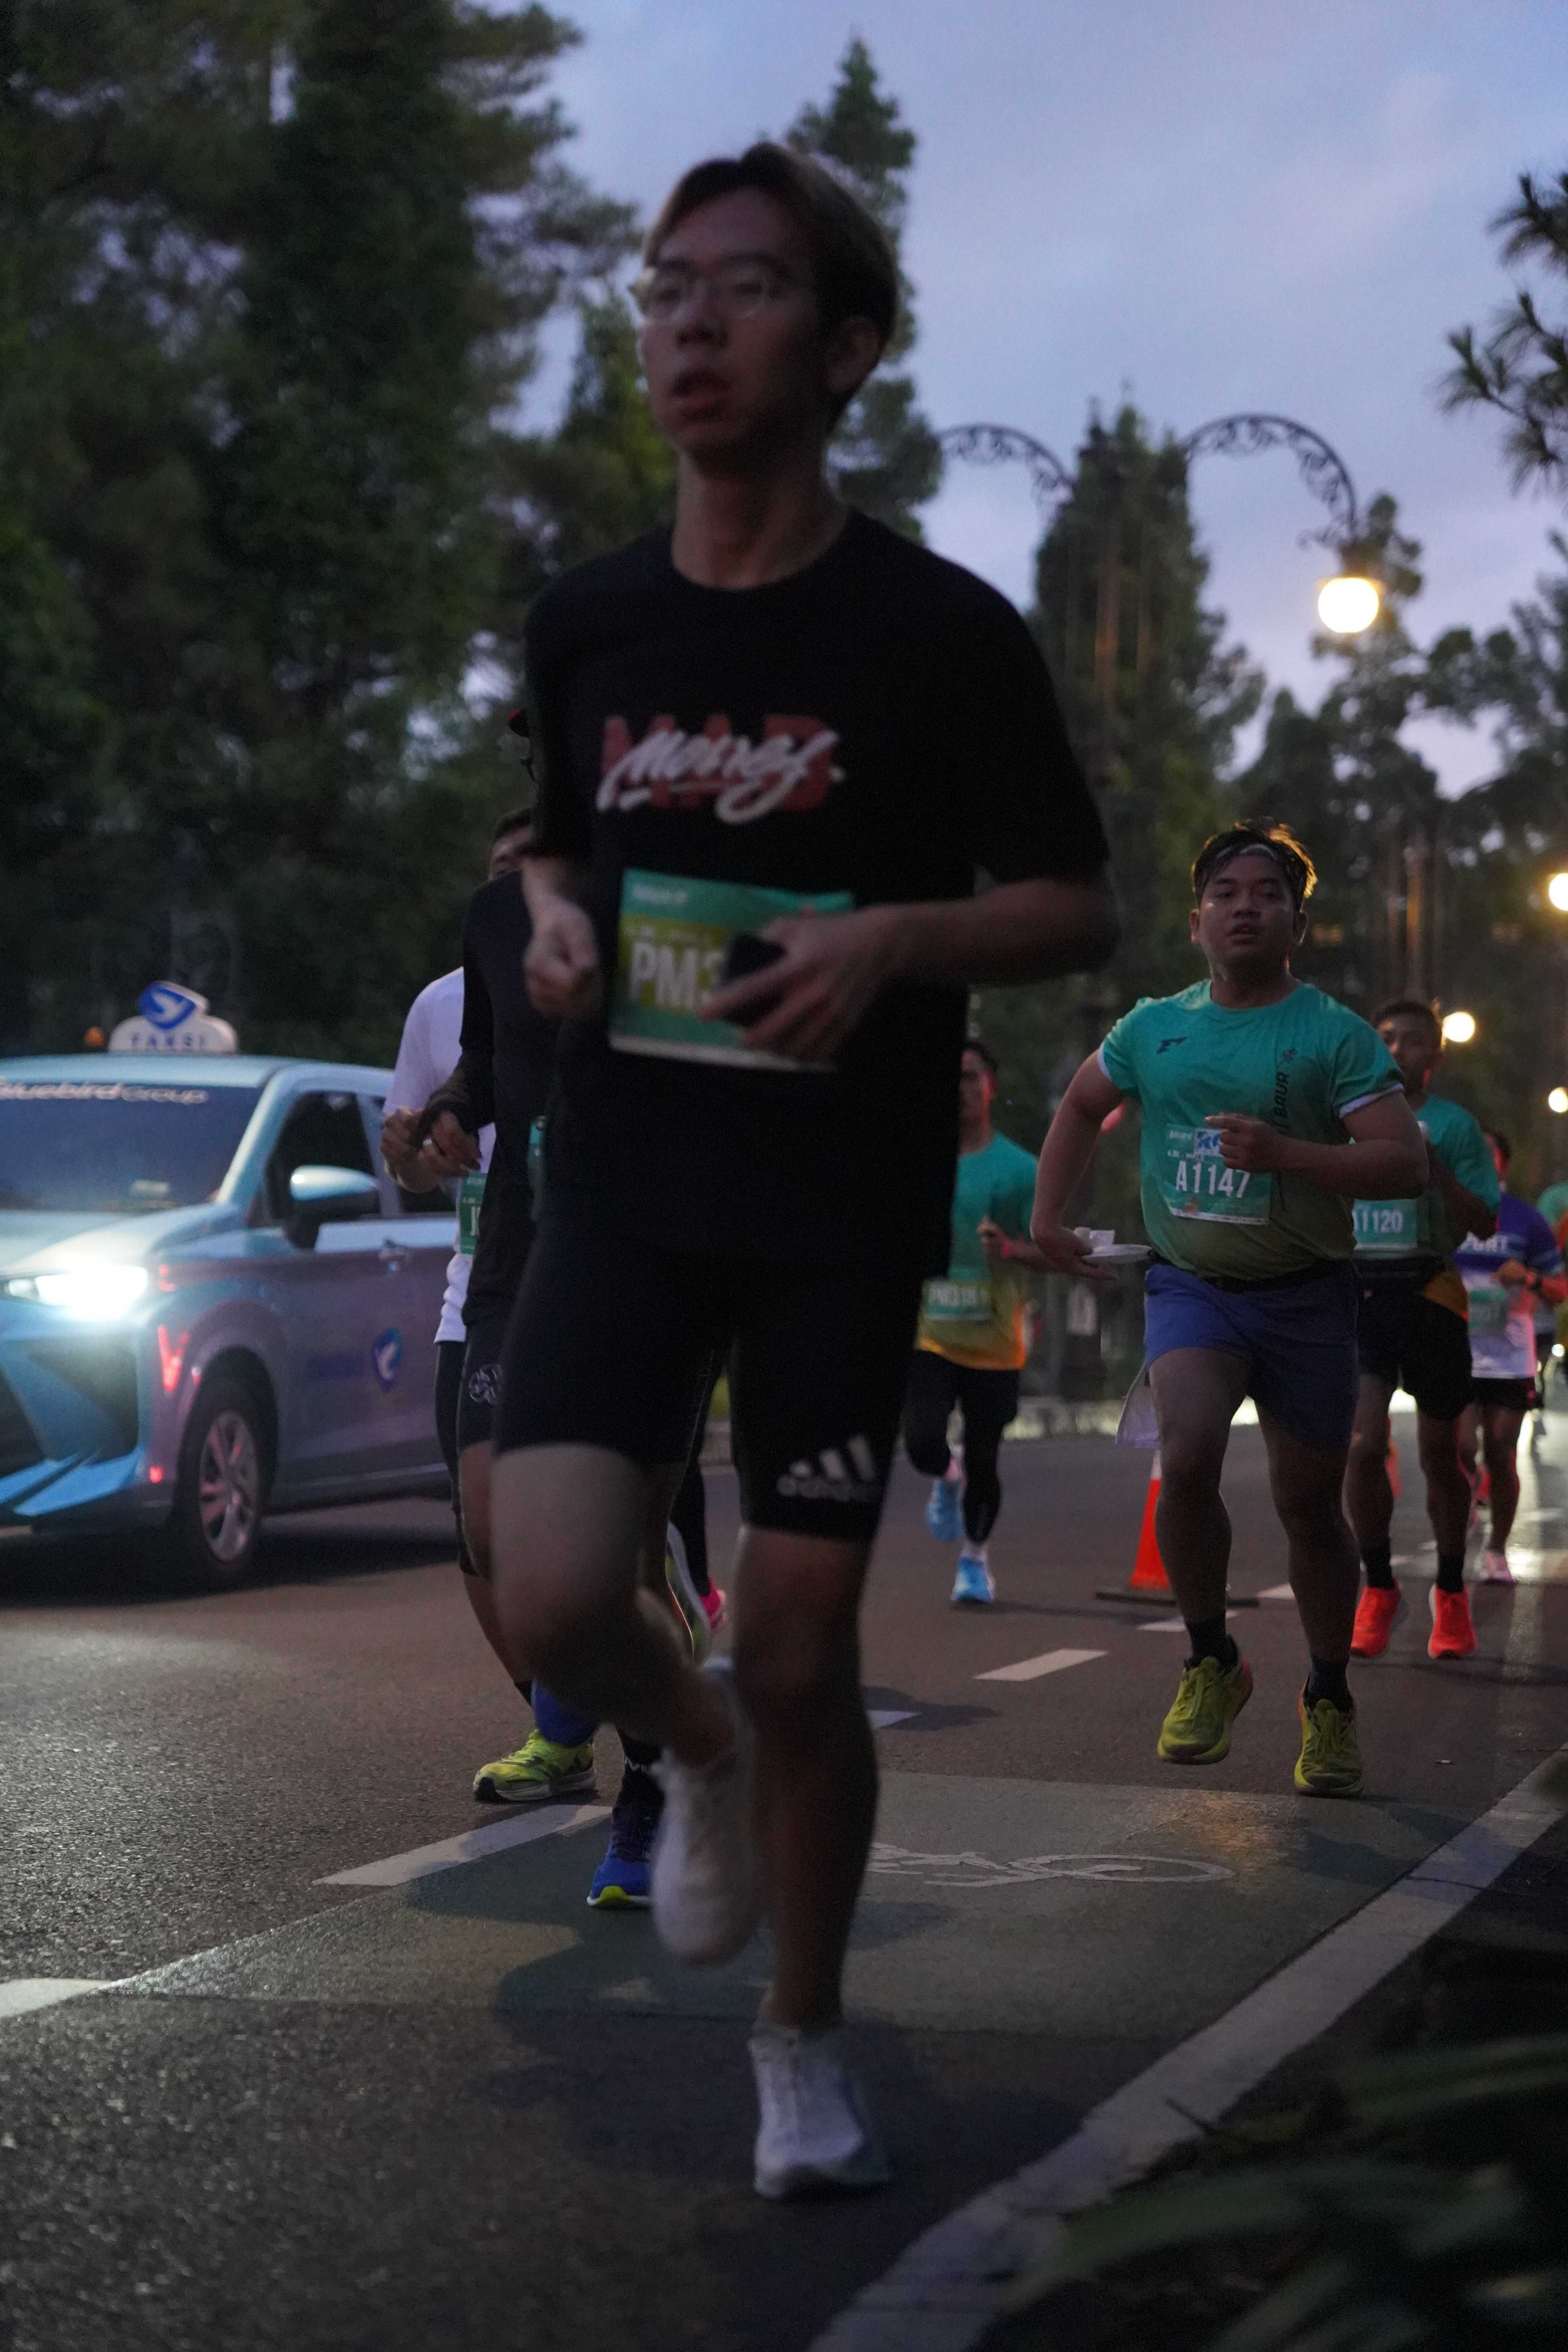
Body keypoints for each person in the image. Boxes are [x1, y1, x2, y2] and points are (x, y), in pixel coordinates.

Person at [486, 140, 1116, 2198]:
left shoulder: (932, 631)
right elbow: (553, 840)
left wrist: (889, 941)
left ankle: (801, 2038)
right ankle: (690, 1748)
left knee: (796, 1636)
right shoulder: (589, 619)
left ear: (845, 346)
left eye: (742, 288)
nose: (688, 322)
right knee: (556, 1590)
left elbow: (1071, 901)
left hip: (839, 1202)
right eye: (665, 285)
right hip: (627, 1169)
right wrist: (557, 920)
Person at [1031, 821, 1425, 1801]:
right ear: (1196, 919)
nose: (1244, 907)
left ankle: (1326, 1694)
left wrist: (1286, 1155)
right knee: (1188, 1455)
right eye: (1225, 893)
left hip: (1305, 1294)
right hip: (1192, 1285)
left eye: (1266, 894)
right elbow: (1080, 1106)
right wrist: (1046, 1218)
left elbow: (1402, 1162)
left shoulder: (1331, 1035)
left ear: (1297, 923)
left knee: (1307, 1506)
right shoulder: (1151, 1028)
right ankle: (1211, 1658)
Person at [386, 768, 705, 1911]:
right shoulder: (492, 919)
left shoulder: (681, 900)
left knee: (619, 1556)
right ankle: (615, 1715)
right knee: (493, 1532)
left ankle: (654, 1784)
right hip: (516, 1265)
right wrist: (447, 1117)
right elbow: (485, 1062)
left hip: (654, 1255)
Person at [381, 806, 530, 1602]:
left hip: (592, 1279)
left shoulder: (600, 980)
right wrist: (414, 1154)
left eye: (534, 866)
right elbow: (412, 1168)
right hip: (479, 1293)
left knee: (611, 1533)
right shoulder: (440, 1007)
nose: (518, 883)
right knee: (481, 1535)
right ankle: (549, 1690)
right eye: (503, 870)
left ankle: (659, 1617)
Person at [1344, 1000, 1499, 1664]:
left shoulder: (1456, 1127)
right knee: (1361, 1445)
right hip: (1362, 1292)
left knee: (1442, 1456)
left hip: (1432, 1290)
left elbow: (1485, 1222)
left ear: (1435, 1057)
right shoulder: (1348, 1118)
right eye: (1387, 1039)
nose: (1398, 1050)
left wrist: (1434, 1170)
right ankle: (1379, 1586)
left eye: (1412, 1042)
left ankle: (1452, 1590)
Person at [903, 1037, 1046, 1604]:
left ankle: (974, 1562)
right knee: (921, 1440)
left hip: (995, 1342)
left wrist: (1009, 1249)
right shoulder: (917, 1162)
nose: (958, 1088)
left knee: (985, 1458)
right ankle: (945, 1475)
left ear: (990, 1086)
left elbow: (1051, 1250)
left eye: (969, 1076)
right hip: (930, 1334)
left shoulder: (1021, 1171)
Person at [1455, 1128, 1566, 1582]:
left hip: (1509, 1357)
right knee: (1461, 1449)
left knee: (1501, 1454)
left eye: (1488, 1152)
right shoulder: (1447, 1214)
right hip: (1457, 1351)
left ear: (1503, 1161)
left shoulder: (1525, 1219)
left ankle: (1497, 1550)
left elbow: (1559, 1287)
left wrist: (1531, 1279)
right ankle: (1466, 1499)